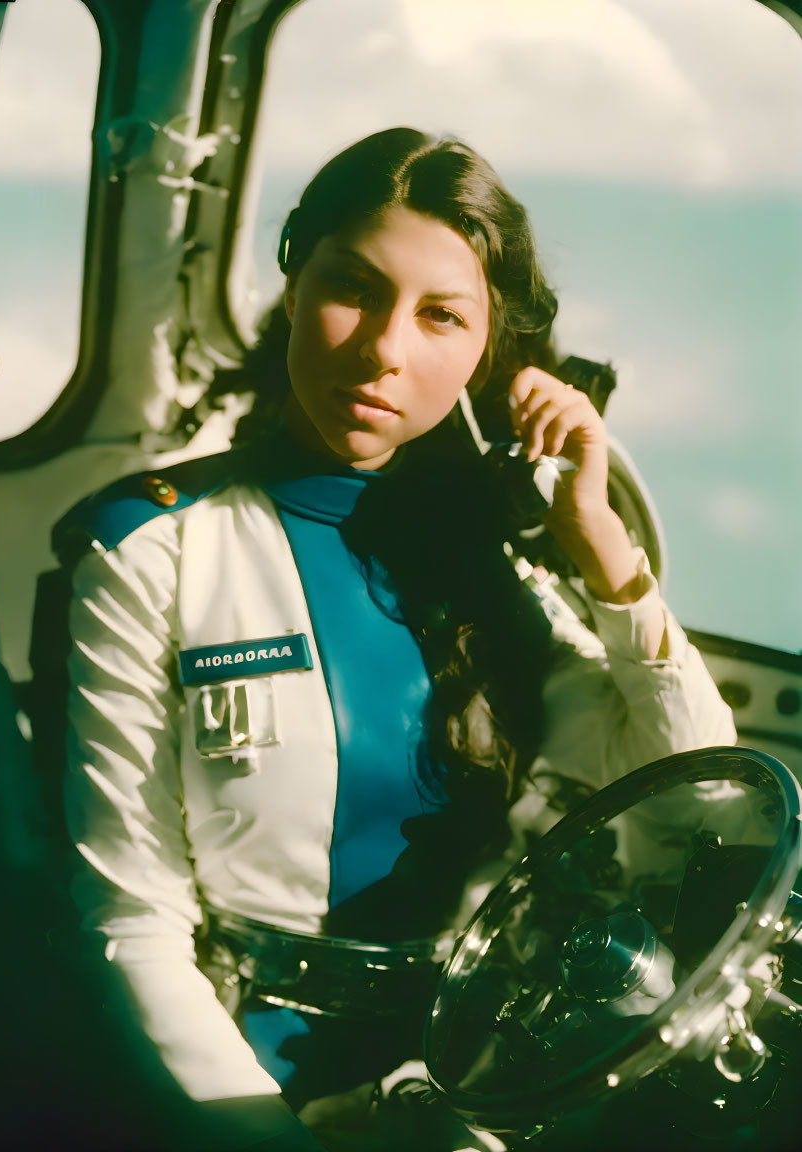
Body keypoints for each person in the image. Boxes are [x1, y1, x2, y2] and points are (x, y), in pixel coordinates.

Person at [55, 127, 736, 1150]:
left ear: (485, 353)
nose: (383, 350)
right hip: (231, 1081)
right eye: (353, 289)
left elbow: (693, 790)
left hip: (468, 1078)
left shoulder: (489, 569)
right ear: (292, 281)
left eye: (440, 318)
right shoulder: (153, 548)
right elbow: (130, 919)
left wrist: (599, 546)